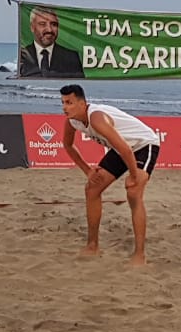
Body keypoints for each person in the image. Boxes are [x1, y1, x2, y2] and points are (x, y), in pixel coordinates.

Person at [59, 84, 159, 266]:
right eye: (63, 102)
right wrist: (88, 171)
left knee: (133, 194)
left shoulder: (97, 118)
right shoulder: (72, 120)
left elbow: (126, 149)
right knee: (92, 188)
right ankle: (92, 245)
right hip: (121, 148)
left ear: (82, 104)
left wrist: (134, 176)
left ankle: (139, 254)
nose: (65, 107)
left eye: (70, 103)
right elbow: (68, 145)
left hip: (143, 144)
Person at [18, 7, 85, 78]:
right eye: (42, 24)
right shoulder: (23, 55)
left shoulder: (71, 57)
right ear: (32, 27)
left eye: (53, 24)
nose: (49, 30)